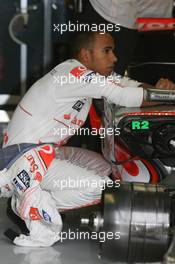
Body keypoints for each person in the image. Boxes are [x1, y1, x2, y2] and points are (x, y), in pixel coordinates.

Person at [0, 32, 173, 247]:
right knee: (106, 189)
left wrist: (162, 89)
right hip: (22, 159)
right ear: (85, 54)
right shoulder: (72, 73)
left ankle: (32, 196)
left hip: (44, 153)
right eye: (107, 51)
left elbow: (130, 85)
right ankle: (26, 205)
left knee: (105, 168)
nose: (114, 58)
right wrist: (167, 96)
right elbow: (123, 96)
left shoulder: (90, 75)